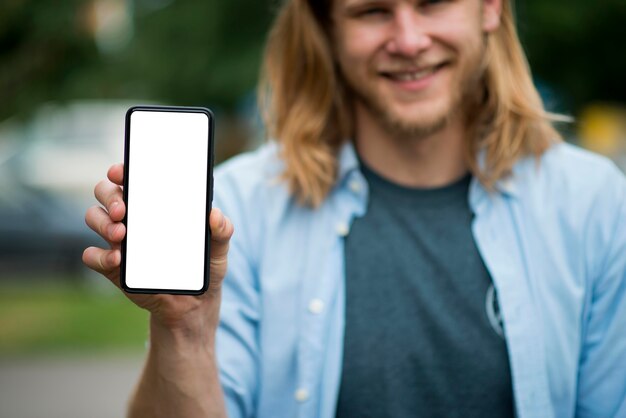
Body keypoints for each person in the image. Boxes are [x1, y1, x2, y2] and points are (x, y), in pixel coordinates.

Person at [83, 0, 626, 416]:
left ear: (490, 8)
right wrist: (183, 331)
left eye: (433, 2)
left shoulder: (592, 205)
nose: (409, 40)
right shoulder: (238, 211)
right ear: (327, 29)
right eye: (372, 10)